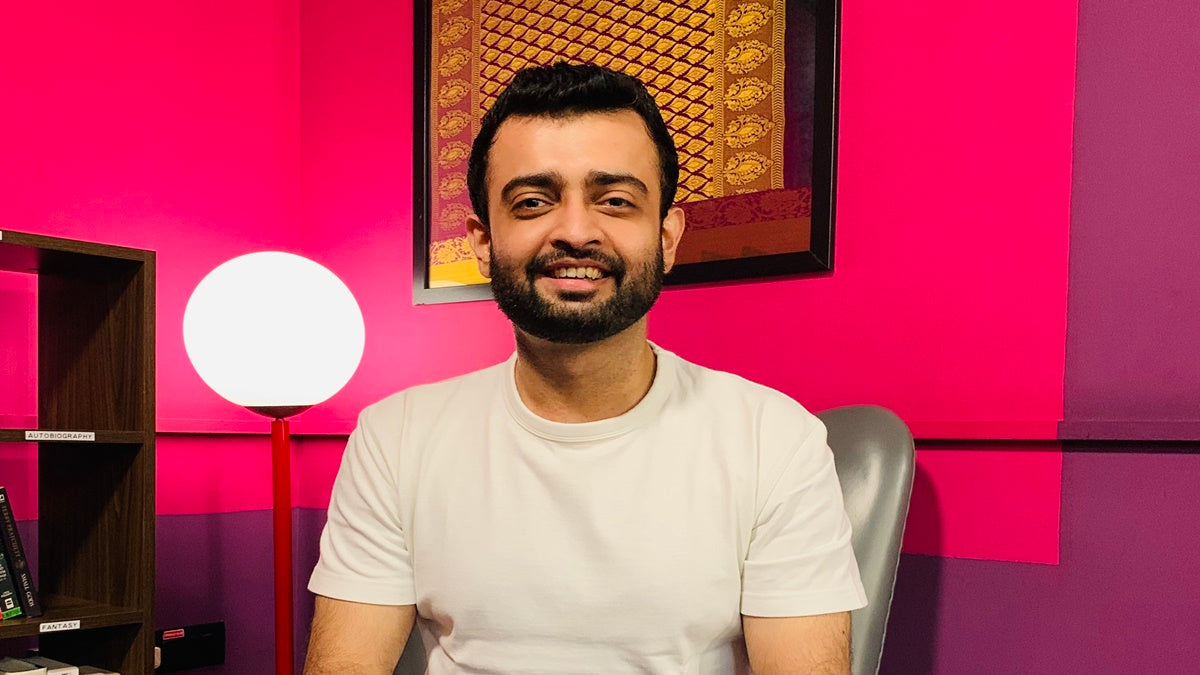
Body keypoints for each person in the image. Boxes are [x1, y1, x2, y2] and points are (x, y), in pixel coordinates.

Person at [303, 62, 866, 675]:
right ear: (483, 240)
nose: (575, 231)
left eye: (616, 201)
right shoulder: (396, 438)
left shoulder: (774, 441)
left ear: (667, 236)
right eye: (533, 202)